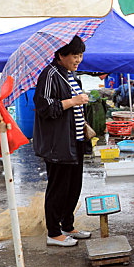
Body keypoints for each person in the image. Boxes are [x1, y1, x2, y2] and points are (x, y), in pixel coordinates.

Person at [33, 35, 92, 247]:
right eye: (74, 55)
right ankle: (54, 232)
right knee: (58, 187)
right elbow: (44, 106)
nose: (78, 60)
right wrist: (74, 101)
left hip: (74, 141)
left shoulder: (70, 75)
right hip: (58, 143)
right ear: (61, 55)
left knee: (73, 186)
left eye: (81, 55)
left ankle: (68, 225)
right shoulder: (50, 74)